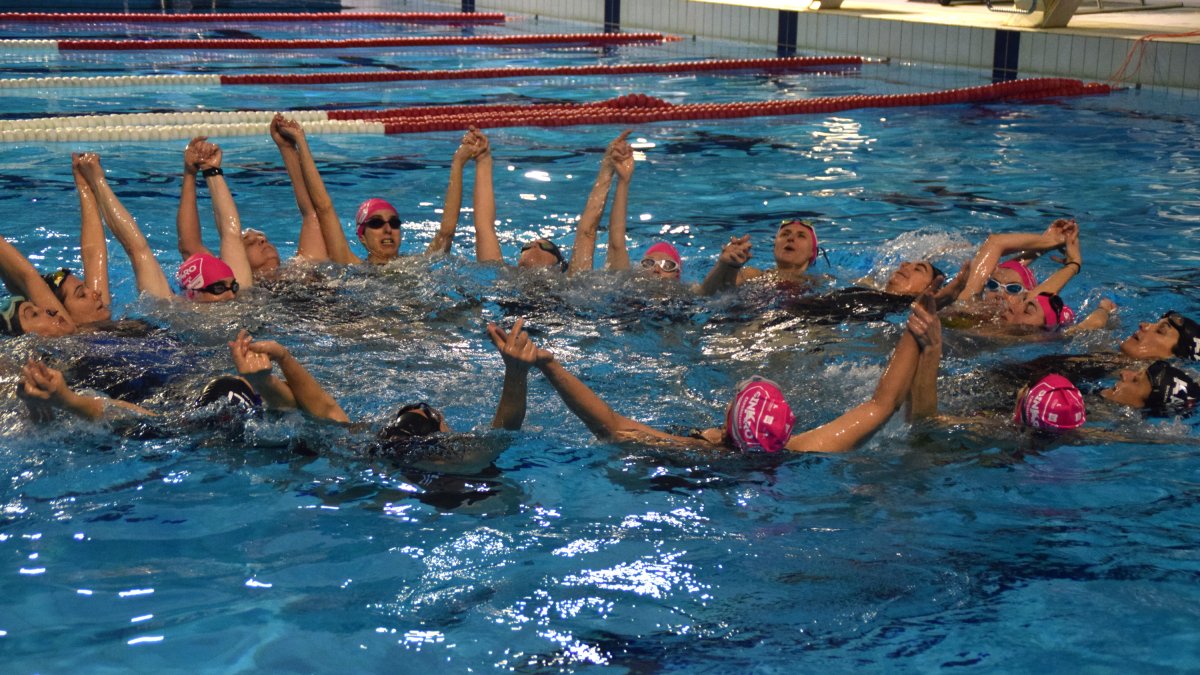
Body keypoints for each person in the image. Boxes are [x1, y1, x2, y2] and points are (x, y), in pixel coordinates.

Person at [494, 295, 938, 454]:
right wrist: (917, 331)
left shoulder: (695, 452)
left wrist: (550, 364)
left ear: (727, 426)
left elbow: (610, 425)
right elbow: (882, 403)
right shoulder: (807, 450)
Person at [269, 117, 479, 266]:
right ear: (362, 236)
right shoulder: (350, 264)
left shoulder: (419, 265)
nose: (388, 229)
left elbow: (447, 231)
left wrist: (458, 162)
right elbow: (323, 207)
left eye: (394, 223)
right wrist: (300, 142)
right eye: (377, 223)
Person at [473, 130, 633, 275]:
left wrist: (607, 168)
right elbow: (484, 228)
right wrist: (483, 160)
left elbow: (587, 232)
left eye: (547, 247)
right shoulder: (502, 277)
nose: (534, 246)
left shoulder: (572, 282)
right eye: (527, 245)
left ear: (560, 266)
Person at [74, 153, 174, 301]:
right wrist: (97, 181)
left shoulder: (101, 309)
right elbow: (137, 250)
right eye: (82, 294)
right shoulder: (165, 311)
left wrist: (86, 186)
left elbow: (94, 257)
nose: (95, 293)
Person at [173, 137, 254, 300]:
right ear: (192, 293)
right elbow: (189, 247)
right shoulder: (176, 315)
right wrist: (191, 174)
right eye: (218, 288)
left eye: (234, 287)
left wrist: (212, 171)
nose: (231, 295)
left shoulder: (240, 294)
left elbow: (231, 234)